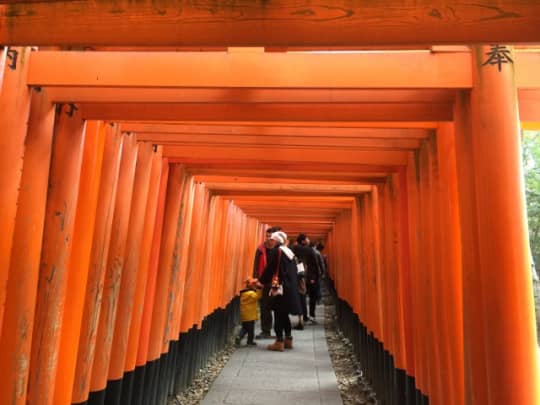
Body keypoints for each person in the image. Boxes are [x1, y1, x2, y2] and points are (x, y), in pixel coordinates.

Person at [260, 231, 301, 351]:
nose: (269, 241)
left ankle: (279, 341)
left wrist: (261, 281)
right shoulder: (289, 252)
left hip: (280, 287)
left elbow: (270, 269)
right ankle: (288, 339)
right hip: (290, 288)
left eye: (271, 240)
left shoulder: (276, 251)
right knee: (284, 314)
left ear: (276, 241)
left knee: (278, 313)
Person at [253, 226, 281, 339]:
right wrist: (256, 280)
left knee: (279, 307)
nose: (268, 238)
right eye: (267, 236)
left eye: (271, 236)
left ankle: (280, 332)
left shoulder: (280, 250)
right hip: (265, 282)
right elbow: (255, 266)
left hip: (277, 281)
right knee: (265, 307)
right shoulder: (260, 249)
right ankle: (266, 330)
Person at [292, 234, 321, 324]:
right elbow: (315, 265)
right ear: (303, 241)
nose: (308, 240)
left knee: (302, 297)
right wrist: (316, 276)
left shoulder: (294, 249)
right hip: (310, 277)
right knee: (312, 297)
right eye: (307, 238)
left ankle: (303, 316)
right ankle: (312, 315)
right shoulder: (309, 250)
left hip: (299, 277)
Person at [235, 278, 263, 346]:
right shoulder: (251, 294)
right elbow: (258, 296)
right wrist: (260, 288)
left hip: (245, 314)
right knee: (250, 330)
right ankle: (250, 341)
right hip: (249, 315)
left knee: (245, 327)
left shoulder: (245, 293)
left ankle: (239, 336)